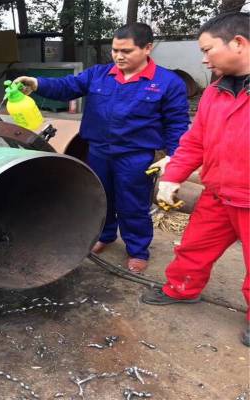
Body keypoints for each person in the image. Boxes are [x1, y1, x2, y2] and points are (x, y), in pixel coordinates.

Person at [15, 23, 189, 273]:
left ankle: (137, 249)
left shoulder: (167, 82)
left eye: (126, 51)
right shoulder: (99, 74)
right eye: (115, 50)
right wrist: (36, 83)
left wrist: (174, 157)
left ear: (147, 48)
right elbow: (67, 86)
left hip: (135, 157)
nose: (119, 56)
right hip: (98, 152)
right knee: (100, 198)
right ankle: (105, 236)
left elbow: (177, 123)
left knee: (133, 204)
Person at [141, 12, 250, 347]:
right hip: (218, 194)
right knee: (194, 248)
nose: (203, 59)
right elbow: (195, 142)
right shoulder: (215, 91)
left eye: (207, 49)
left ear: (238, 43)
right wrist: (172, 177)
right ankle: (182, 289)